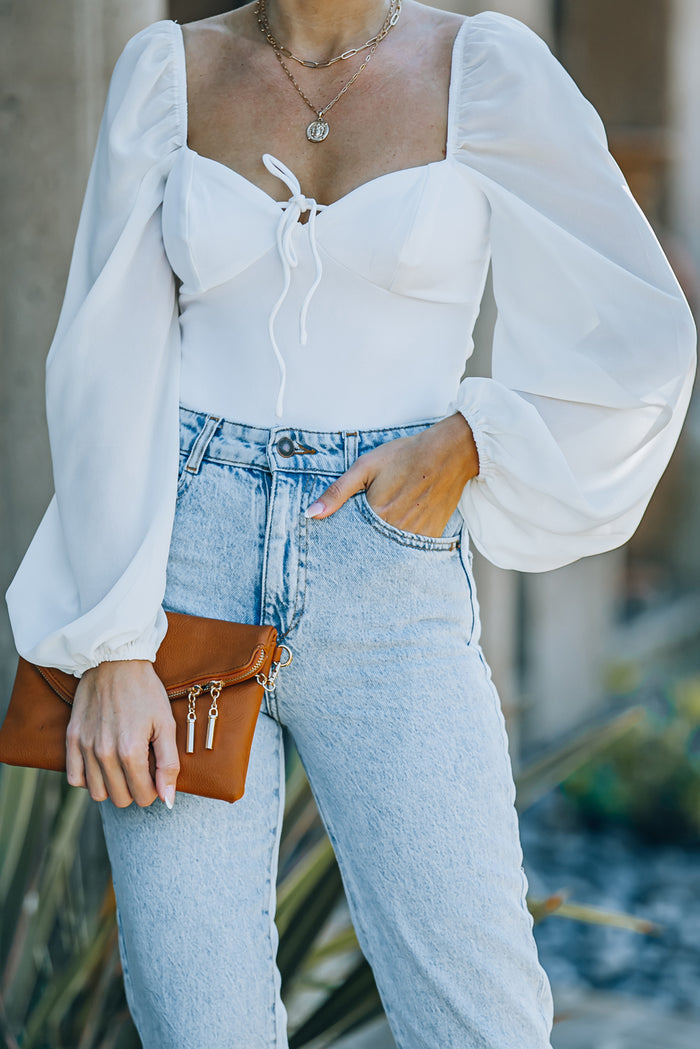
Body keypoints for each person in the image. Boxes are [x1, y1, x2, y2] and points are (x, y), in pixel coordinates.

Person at [5, 1, 696, 1046]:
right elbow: (104, 359)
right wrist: (109, 645)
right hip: (183, 569)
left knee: (481, 1015)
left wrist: (471, 437)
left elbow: (643, 327)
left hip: (389, 571)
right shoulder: (168, 71)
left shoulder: (486, 69)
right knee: (199, 1025)